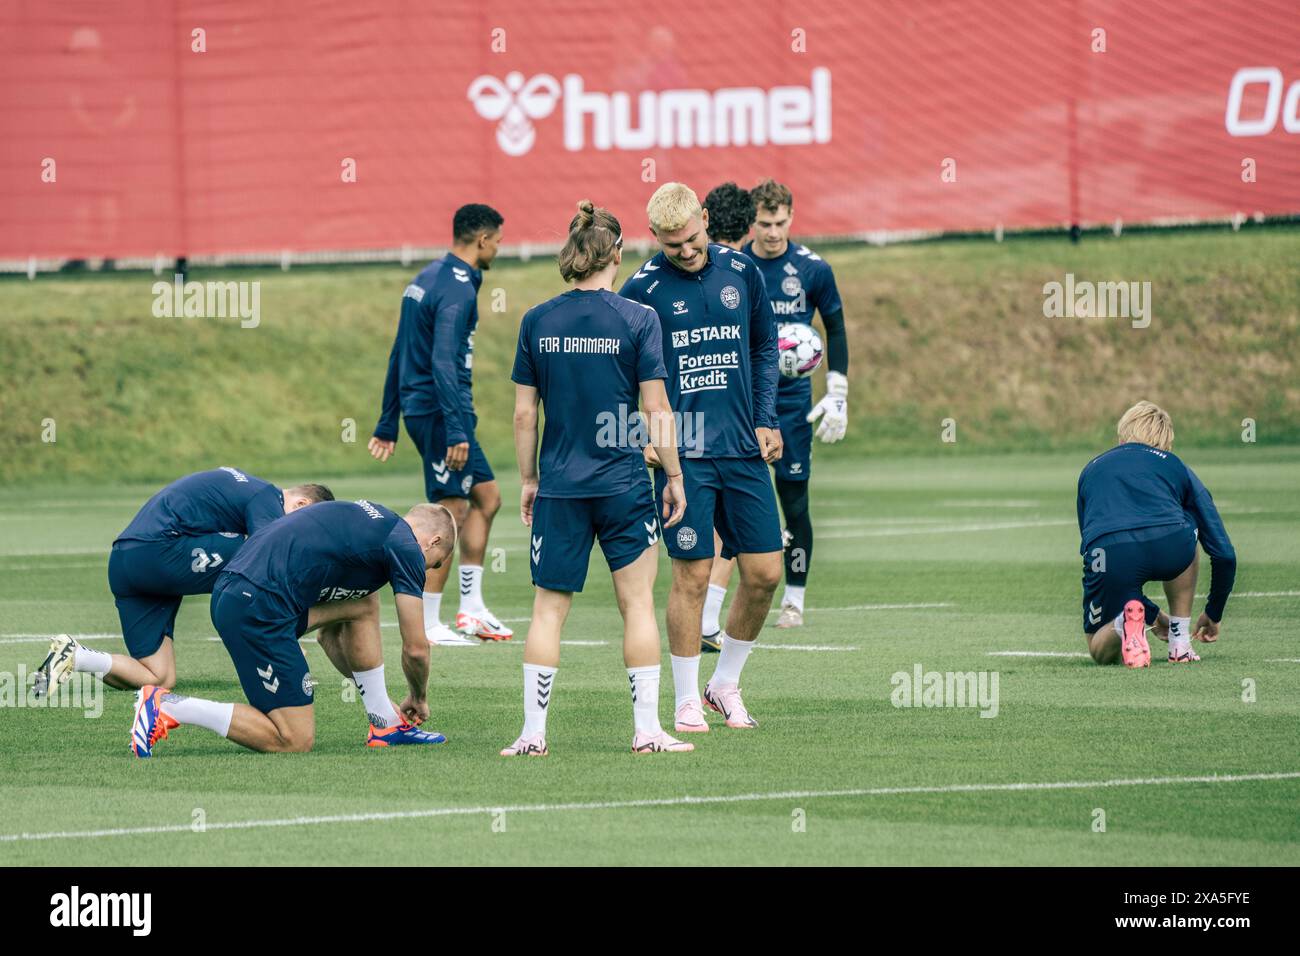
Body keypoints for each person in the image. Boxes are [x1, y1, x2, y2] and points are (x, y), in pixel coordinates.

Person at [503, 200, 690, 756]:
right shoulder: (639, 318)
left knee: (547, 611)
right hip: (624, 484)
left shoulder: (537, 319)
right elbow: (656, 407)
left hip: (560, 485)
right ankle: (648, 731)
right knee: (636, 605)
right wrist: (674, 474)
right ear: (617, 252)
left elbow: (522, 415)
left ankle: (533, 736)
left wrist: (529, 479)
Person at [619, 183, 783, 733]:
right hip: (684, 455)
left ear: (705, 220)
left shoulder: (743, 272)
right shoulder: (641, 290)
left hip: (741, 447)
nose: (686, 252)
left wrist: (766, 418)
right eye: (672, 246)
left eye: (691, 240)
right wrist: (643, 431)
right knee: (691, 576)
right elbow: (625, 374)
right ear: (655, 238)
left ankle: (725, 685)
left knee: (764, 573)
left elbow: (764, 346)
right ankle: (686, 699)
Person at [130, 500, 457, 756]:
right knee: (293, 739)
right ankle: (166, 705)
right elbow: (416, 648)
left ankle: (385, 723)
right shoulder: (406, 548)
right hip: (257, 607)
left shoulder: (376, 522)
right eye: (437, 563)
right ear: (433, 541)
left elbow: (330, 633)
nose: (430, 569)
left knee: (363, 604)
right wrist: (418, 696)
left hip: (241, 592)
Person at [700, 179, 850, 640]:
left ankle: (795, 599)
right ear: (752, 223)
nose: (771, 232)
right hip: (742, 401)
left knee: (794, 498)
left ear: (791, 218)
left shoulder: (812, 269)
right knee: (734, 503)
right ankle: (712, 612)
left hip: (792, 403)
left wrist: (838, 391)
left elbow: (837, 328)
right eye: (763, 223)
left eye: (779, 222)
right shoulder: (736, 265)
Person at [33, 468, 332, 697]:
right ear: (301, 504)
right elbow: (267, 558)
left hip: (128, 565)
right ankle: (274, 640)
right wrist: (282, 633)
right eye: (305, 525)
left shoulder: (251, 489)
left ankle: (76, 655)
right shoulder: (268, 496)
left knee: (159, 678)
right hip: (156, 551)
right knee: (258, 553)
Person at [369, 203, 512, 646]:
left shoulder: (426, 278)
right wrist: (456, 429)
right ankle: (428, 624)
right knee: (450, 512)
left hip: (430, 409)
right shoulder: (457, 290)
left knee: (487, 498)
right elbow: (443, 362)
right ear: (482, 239)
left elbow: (399, 351)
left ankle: (470, 609)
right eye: (498, 240)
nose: (499, 248)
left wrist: (387, 421)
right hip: (439, 412)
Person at [1078, 401, 1236, 667]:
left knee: (1098, 649)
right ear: (1166, 443)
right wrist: (1213, 612)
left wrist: (1149, 615)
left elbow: (1092, 543)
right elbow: (1224, 553)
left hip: (1108, 553)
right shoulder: (1175, 464)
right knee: (1187, 521)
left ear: (1121, 436)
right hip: (1171, 545)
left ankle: (1123, 623)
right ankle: (1180, 642)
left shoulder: (1090, 469)